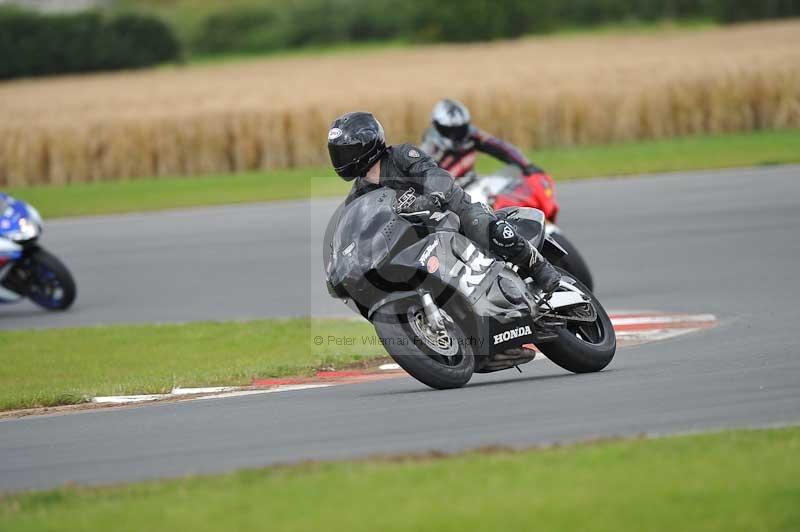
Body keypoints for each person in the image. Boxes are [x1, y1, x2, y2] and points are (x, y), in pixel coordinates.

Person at [327, 111, 561, 294]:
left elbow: (434, 174)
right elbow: (353, 227)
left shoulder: (401, 155)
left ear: (367, 145)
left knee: (485, 227)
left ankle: (540, 269)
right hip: (417, 237)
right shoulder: (360, 193)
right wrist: (339, 259)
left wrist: (433, 196)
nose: (341, 160)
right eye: (337, 153)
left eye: (347, 152)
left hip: (452, 211)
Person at [420, 98, 543, 181]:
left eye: (460, 129)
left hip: (471, 185)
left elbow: (501, 148)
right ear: (437, 126)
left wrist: (527, 165)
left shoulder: (472, 134)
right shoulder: (428, 147)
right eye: (450, 130)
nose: (456, 134)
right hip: (443, 197)